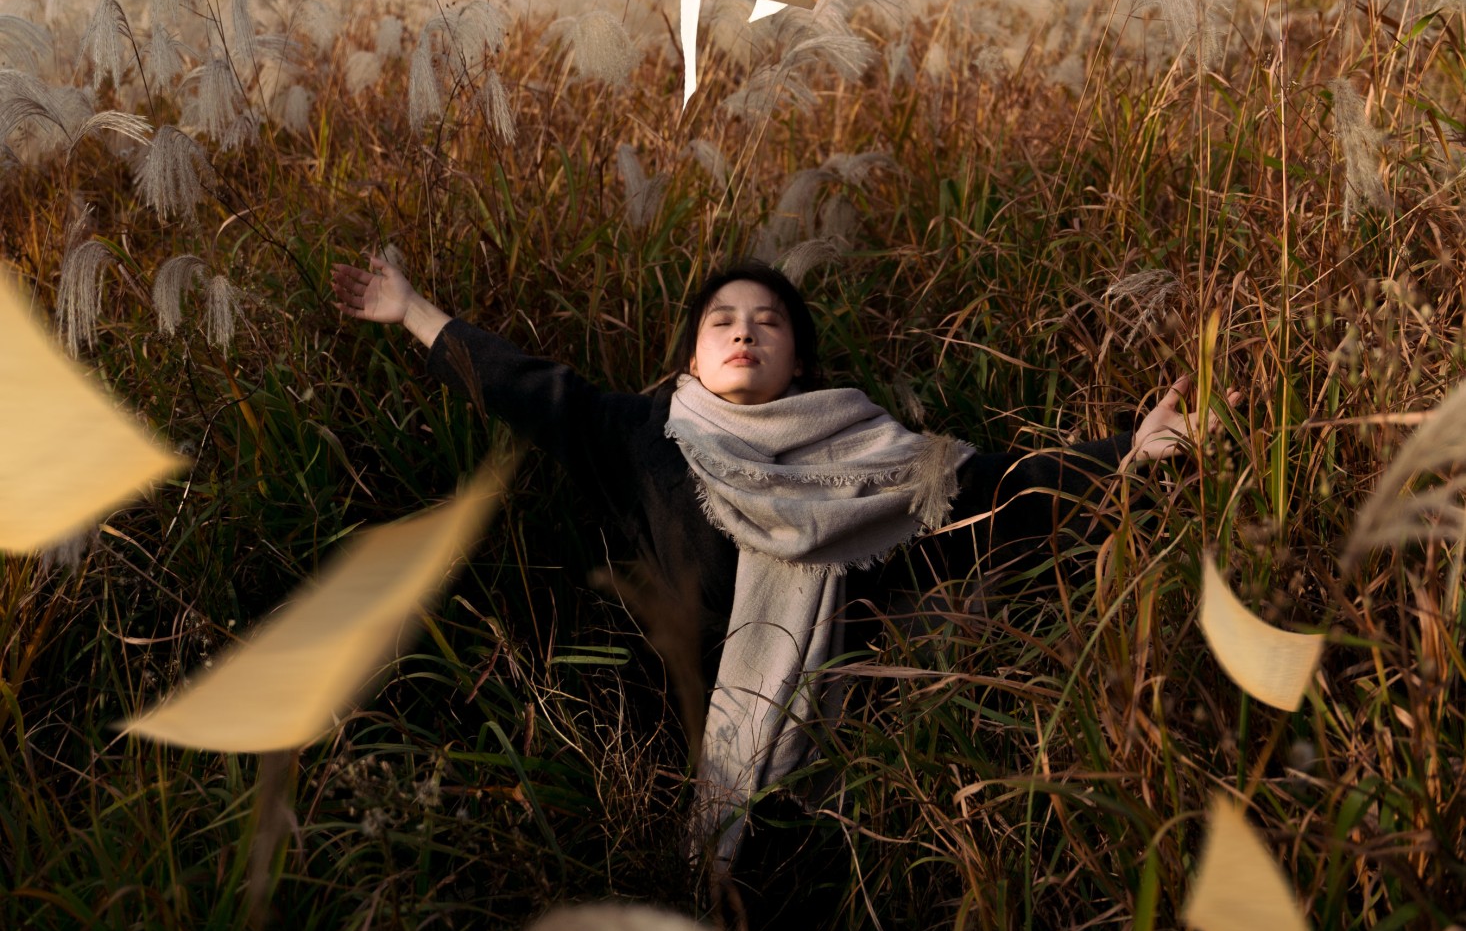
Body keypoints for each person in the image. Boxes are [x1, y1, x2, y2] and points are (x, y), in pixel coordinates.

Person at [331, 254, 1201, 872]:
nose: (745, 332)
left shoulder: (876, 454)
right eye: (723, 321)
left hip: (854, 797)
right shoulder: (646, 438)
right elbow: (528, 388)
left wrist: (1132, 452)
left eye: (768, 322)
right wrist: (412, 309)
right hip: (677, 767)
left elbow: (1005, 491)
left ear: (798, 361)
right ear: (693, 359)